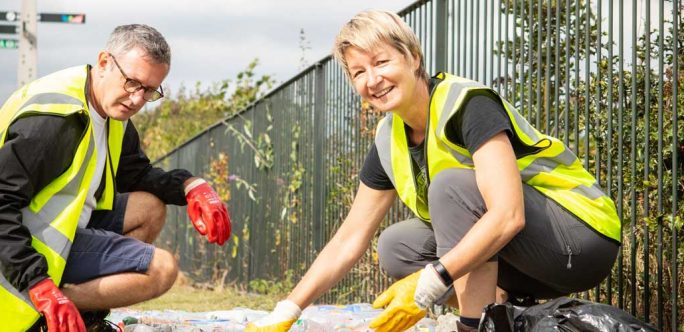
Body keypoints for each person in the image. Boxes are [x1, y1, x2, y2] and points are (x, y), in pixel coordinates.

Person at [245, 10, 620, 332]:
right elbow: (348, 239)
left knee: (450, 186)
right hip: (524, 262)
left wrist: (430, 283)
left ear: (413, 57)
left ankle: (474, 326)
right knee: (396, 247)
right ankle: (501, 309)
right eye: (358, 72)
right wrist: (288, 309)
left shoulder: (467, 105)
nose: (372, 80)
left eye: (381, 62)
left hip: (578, 239)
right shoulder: (388, 139)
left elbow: (508, 214)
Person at [0, 24, 231, 331]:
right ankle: (49, 311)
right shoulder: (56, 120)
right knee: (162, 269)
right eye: (132, 83)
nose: (138, 99)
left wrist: (190, 186)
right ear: (103, 62)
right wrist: (36, 281)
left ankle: (82, 314)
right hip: (17, 251)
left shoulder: (112, 115)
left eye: (150, 90)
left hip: (64, 232)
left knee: (150, 207)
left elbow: (137, 174)